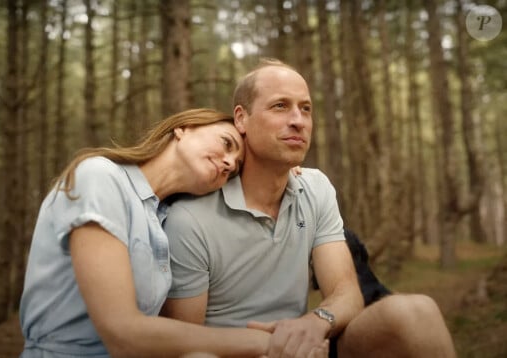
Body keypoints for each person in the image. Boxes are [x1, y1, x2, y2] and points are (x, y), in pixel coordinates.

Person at [161, 59, 457, 357]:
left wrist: (315, 322)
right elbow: (184, 342)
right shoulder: (190, 218)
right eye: (280, 106)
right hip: (233, 352)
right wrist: (268, 347)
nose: (298, 121)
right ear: (241, 119)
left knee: (417, 311)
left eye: (305, 109)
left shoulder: (315, 188)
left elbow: (347, 294)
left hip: (309, 347)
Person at [19, 108, 275, 357]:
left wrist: (286, 175)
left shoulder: (166, 220)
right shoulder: (100, 177)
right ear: (183, 129)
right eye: (227, 144)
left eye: (235, 169)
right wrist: (259, 342)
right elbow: (123, 334)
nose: (230, 163)